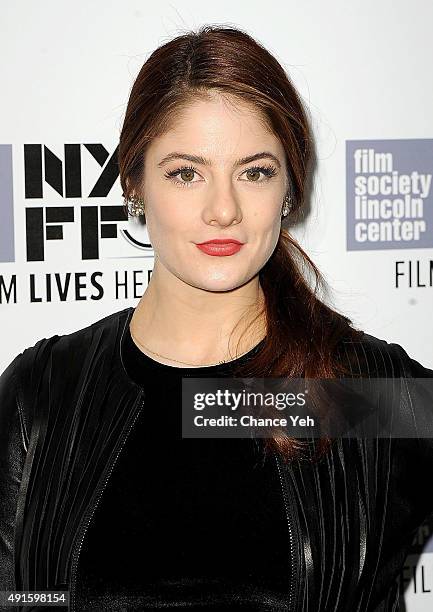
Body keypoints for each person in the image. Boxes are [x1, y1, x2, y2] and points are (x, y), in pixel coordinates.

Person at [1, 24, 432, 612]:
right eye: (186, 173)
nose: (223, 209)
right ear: (134, 183)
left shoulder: (364, 391)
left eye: (255, 172)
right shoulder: (44, 394)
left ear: (289, 189)